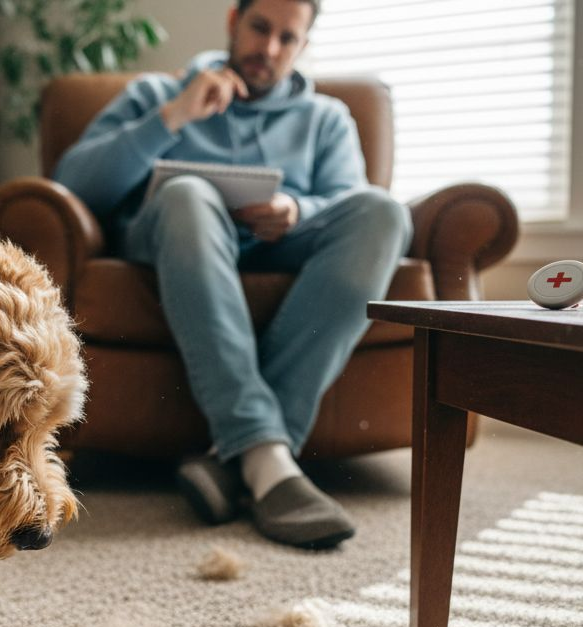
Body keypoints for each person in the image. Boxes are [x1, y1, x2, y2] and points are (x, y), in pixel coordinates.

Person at [51, 0, 411, 548]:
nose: (268, 49)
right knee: (189, 194)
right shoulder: (157, 94)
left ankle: (241, 456)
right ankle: (270, 466)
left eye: (287, 39)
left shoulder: (325, 118)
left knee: (385, 211)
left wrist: (297, 209)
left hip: (282, 246)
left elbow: (348, 200)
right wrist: (175, 116)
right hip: (174, 238)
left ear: (303, 47)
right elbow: (73, 183)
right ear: (232, 23)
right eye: (259, 29)